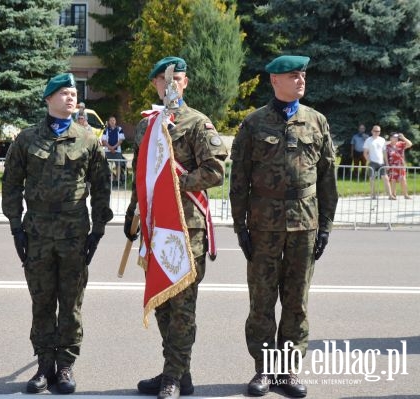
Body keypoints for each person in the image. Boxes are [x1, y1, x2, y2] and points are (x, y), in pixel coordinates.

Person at [229, 55, 338, 398]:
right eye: (293, 75)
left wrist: (325, 227)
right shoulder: (254, 123)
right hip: (263, 225)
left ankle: (286, 371)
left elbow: (328, 179)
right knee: (262, 300)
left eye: (303, 74)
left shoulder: (316, 121)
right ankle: (264, 370)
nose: (301, 79)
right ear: (275, 80)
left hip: (304, 224)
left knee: (296, 302)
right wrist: (240, 226)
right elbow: (239, 179)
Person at [2, 73, 113, 394]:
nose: (70, 98)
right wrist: (15, 227)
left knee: (71, 303)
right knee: (41, 301)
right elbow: (11, 185)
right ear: (48, 99)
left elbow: (101, 187)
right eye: (63, 93)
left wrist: (98, 230)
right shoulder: (26, 139)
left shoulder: (88, 139)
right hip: (37, 234)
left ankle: (65, 366)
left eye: (73, 93)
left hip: (74, 234)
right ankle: (43, 366)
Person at [124, 56, 228, 399]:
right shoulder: (147, 125)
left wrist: (176, 185)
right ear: (155, 84)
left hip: (186, 230)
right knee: (163, 303)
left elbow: (214, 171)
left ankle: (173, 376)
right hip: (155, 229)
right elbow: (143, 176)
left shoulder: (197, 123)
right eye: (163, 80)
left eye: (177, 79)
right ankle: (179, 373)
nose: (170, 85)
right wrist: (133, 210)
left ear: (184, 83)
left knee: (183, 307)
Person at [363, 125, 395, 199]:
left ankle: (390, 195)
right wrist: (369, 160)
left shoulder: (382, 140)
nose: (377, 132)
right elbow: (365, 152)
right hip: (372, 162)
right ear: (372, 131)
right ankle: (373, 194)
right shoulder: (368, 140)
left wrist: (386, 163)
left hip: (381, 162)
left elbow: (384, 152)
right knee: (372, 178)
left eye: (378, 131)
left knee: (386, 178)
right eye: (375, 131)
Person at [386, 132, 413, 199]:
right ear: (391, 138)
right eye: (394, 137)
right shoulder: (387, 146)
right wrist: (387, 164)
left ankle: (405, 195)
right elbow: (385, 155)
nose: (396, 138)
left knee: (403, 179)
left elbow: (410, 144)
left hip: (401, 165)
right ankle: (393, 194)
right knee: (393, 180)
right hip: (392, 165)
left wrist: (403, 137)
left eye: (397, 137)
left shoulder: (401, 144)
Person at [101, 116, 126, 184]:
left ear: (115, 121)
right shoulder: (105, 130)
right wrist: (110, 148)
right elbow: (103, 140)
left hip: (117, 151)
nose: (112, 121)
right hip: (107, 151)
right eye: (111, 120)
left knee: (118, 165)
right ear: (109, 122)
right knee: (107, 166)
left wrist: (114, 147)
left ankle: (117, 180)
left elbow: (121, 140)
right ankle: (111, 179)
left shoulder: (119, 129)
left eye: (114, 120)